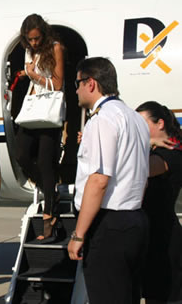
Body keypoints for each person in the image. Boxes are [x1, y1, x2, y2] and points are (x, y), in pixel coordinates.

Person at [67, 57, 150, 304]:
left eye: (78, 83)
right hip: (135, 219)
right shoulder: (135, 119)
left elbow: (99, 180)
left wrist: (79, 234)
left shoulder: (102, 119)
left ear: (91, 83)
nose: (76, 90)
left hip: (109, 225)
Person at [16, 13, 65, 240]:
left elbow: (57, 84)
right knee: (22, 156)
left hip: (48, 109)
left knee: (46, 162)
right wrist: (27, 75)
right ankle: (50, 191)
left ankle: (49, 217)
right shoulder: (29, 51)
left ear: (43, 34)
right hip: (32, 107)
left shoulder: (55, 48)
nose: (34, 43)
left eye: (37, 38)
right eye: (30, 39)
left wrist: (33, 74)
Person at [136, 101, 182, 304]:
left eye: (141, 123)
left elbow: (138, 170)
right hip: (151, 237)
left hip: (164, 240)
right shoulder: (154, 153)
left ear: (160, 123)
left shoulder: (171, 153)